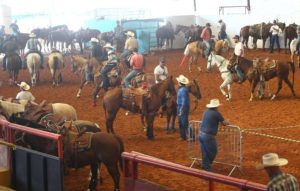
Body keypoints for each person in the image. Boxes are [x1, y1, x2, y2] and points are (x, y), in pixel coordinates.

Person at [199, 99, 228, 171]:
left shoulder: (205, 112)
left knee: (204, 151)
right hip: (208, 136)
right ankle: (207, 166)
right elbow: (224, 123)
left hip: (201, 134)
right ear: (216, 107)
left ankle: (205, 164)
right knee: (213, 151)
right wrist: (228, 122)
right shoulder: (216, 113)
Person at [176, 75, 190, 141]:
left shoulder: (183, 90)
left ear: (180, 83)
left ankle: (191, 136)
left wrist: (181, 109)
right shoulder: (182, 89)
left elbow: (184, 101)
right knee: (180, 122)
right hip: (180, 107)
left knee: (184, 122)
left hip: (182, 107)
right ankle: (183, 136)